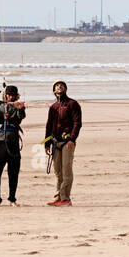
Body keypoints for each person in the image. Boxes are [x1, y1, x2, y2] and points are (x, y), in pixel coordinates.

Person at [0, 85, 26, 206]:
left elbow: (21, 117)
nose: (11, 96)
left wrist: (20, 108)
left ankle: (12, 199)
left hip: (13, 142)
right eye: (8, 94)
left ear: (16, 95)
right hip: (1, 142)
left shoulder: (18, 106)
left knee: (13, 172)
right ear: (5, 95)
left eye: (13, 94)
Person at [45, 79, 82, 207]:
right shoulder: (53, 107)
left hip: (67, 142)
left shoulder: (72, 104)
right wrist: (47, 143)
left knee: (66, 171)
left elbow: (77, 123)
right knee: (58, 172)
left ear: (65, 89)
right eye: (57, 86)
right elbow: (49, 125)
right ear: (54, 91)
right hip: (55, 142)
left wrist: (72, 139)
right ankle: (59, 197)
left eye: (61, 85)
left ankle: (66, 199)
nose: (59, 87)